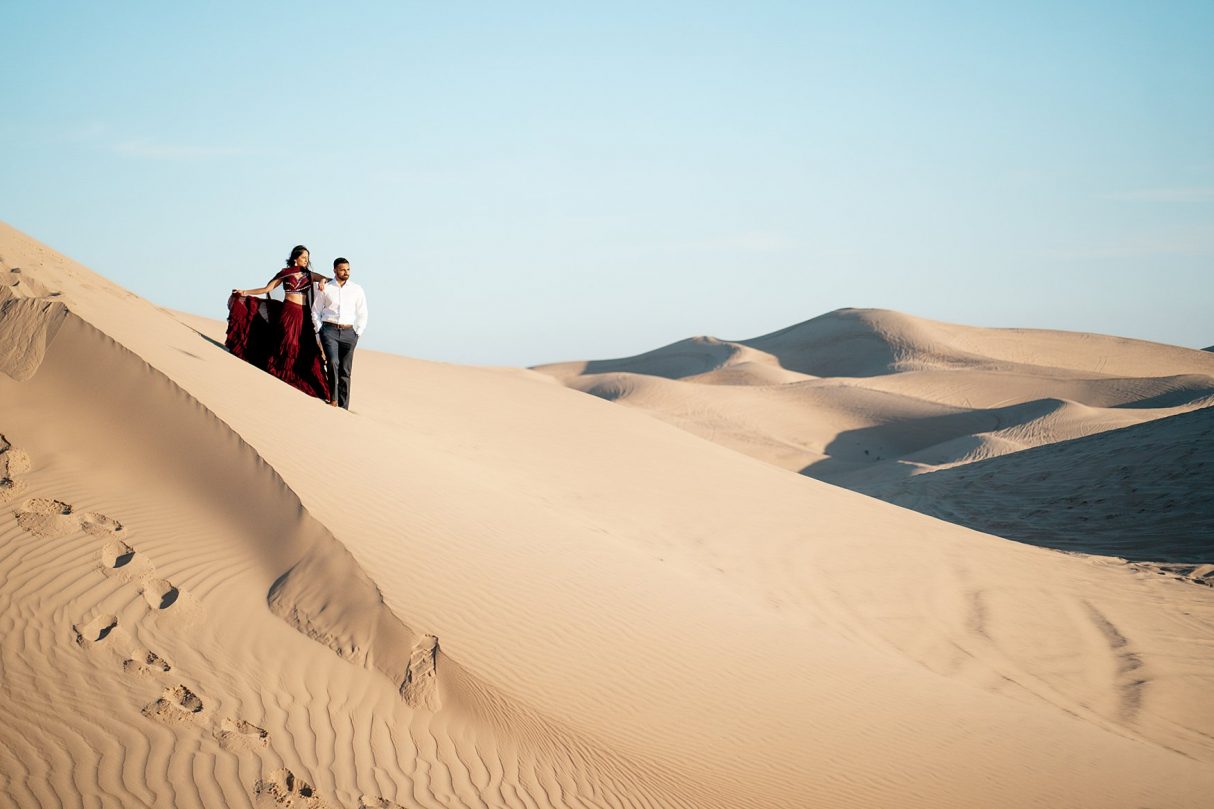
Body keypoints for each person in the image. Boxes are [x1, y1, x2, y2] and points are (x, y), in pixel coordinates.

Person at [227, 245, 332, 401]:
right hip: (288, 312)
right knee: (286, 342)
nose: (306, 260)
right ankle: (282, 373)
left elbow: (330, 279)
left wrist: (322, 281)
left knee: (305, 347)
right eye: (304, 257)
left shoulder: (310, 275)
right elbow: (266, 288)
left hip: (303, 315)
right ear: (295, 258)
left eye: (308, 258)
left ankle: (302, 377)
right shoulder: (285, 273)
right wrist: (245, 292)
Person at [311, 256, 368, 409]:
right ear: (335, 270)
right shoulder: (326, 288)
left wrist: (358, 333)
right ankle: (333, 399)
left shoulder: (357, 289)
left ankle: (344, 406)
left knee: (346, 370)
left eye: (348, 269)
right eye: (342, 269)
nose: (346, 272)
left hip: (350, 332)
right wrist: (319, 330)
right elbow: (315, 311)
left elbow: (363, 313)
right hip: (329, 331)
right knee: (332, 362)